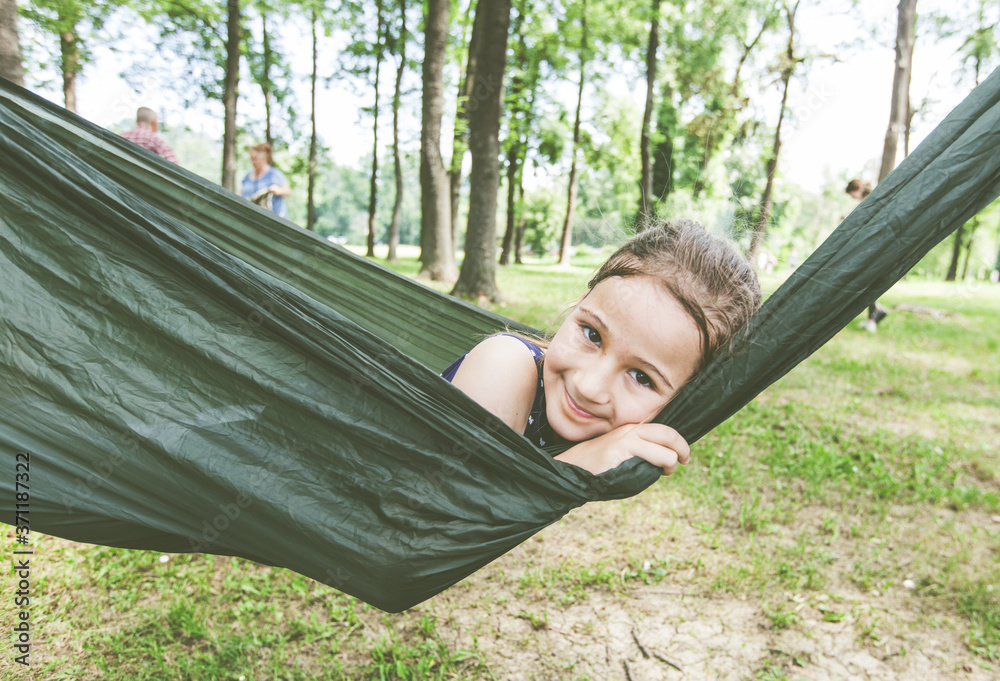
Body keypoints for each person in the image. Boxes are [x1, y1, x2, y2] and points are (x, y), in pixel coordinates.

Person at [441, 218, 762, 476]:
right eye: (592, 335)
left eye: (641, 377)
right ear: (579, 304)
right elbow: (439, 508)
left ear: (684, 402)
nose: (589, 385)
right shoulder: (504, 365)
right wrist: (572, 468)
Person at [845, 179, 887, 331]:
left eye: (851, 195)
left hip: (875, 245)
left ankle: (872, 319)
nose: (852, 198)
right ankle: (876, 312)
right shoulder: (868, 197)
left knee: (868, 282)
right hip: (873, 244)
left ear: (855, 190)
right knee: (866, 283)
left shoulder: (870, 197)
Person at [241, 142, 291, 219]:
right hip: (252, 219)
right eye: (251, 159)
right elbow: (240, 193)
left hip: (273, 220)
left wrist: (278, 190)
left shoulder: (275, 174)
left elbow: (288, 191)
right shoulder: (247, 176)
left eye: (255, 159)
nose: (253, 162)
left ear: (264, 157)